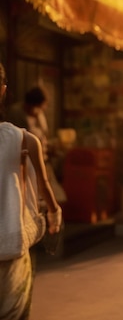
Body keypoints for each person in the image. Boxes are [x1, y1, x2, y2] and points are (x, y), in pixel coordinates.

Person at [0, 63, 63, 319]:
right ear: (2, 91)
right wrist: (54, 213)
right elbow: (44, 186)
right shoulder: (23, 139)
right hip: (10, 242)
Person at [6, 85, 66, 203]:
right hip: (25, 161)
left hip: (42, 158)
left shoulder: (39, 115)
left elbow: (44, 135)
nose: (40, 110)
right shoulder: (16, 114)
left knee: (53, 193)